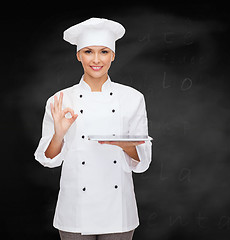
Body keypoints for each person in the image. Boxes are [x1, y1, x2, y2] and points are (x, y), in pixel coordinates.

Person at [34, 17, 152, 240]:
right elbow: (48, 159)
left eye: (104, 52)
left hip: (118, 209)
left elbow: (143, 161)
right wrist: (59, 134)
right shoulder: (60, 99)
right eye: (88, 51)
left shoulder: (133, 98)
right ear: (78, 55)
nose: (96, 59)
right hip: (75, 208)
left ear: (113, 56)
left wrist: (125, 146)